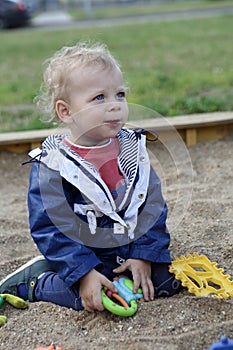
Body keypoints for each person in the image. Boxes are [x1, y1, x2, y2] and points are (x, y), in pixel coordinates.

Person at [0, 41, 182, 312]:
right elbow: (49, 228)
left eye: (119, 94)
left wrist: (144, 255)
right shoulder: (54, 165)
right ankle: (36, 281)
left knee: (167, 282)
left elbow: (152, 207)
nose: (115, 106)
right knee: (86, 300)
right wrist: (83, 272)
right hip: (85, 255)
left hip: (128, 249)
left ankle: (127, 267)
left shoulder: (133, 150)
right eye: (99, 98)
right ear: (66, 111)